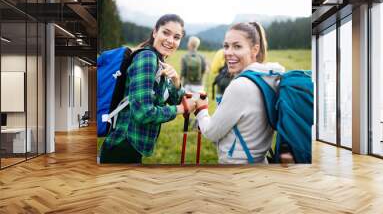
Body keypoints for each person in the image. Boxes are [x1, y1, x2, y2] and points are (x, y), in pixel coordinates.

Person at [100, 14, 195, 164]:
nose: (170, 41)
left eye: (176, 37)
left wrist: (176, 81)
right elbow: (143, 113)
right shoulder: (147, 58)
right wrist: (180, 109)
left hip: (131, 147)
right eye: (166, 32)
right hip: (123, 147)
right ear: (155, 32)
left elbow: (176, 98)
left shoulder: (159, 62)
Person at [190, 22, 289, 164]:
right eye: (226, 46)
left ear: (255, 50)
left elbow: (211, 133)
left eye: (237, 46)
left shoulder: (240, 86)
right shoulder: (269, 77)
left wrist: (202, 110)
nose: (228, 52)